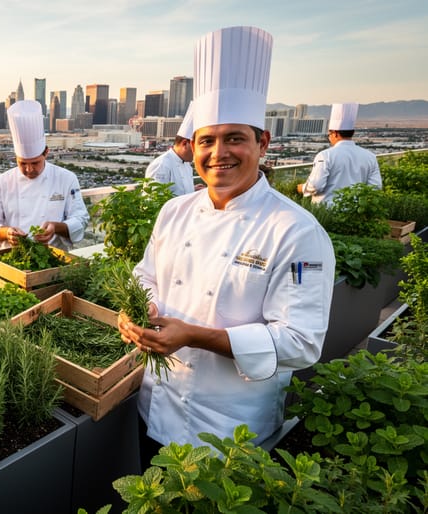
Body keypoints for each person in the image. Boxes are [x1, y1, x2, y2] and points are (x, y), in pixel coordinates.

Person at [117, 26, 336, 450]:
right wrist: (137, 313)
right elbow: (145, 277)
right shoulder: (173, 211)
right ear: (193, 148)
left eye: (235, 138)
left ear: (263, 143)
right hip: (155, 407)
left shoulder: (296, 231)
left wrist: (196, 336)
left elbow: (301, 343)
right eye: (208, 141)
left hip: (232, 432)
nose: (219, 153)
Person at [0, 100, 90, 250]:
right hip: (13, 256)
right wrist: (7, 232)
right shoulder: (2, 182)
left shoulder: (66, 178)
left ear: (46, 153)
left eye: (35, 163)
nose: (29, 169)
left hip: (53, 256)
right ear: (15, 158)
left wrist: (55, 227)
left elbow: (80, 219)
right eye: (23, 163)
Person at [300, 103, 382, 205]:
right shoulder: (370, 157)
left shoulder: (325, 155)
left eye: (329, 134)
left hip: (327, 212)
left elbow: (316, 186)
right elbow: (375, 188)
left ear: (335, 133)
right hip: (356, 212)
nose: (329, 137)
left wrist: (302, 188)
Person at [144, 102, 201, 195]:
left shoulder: (187, 165)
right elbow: (153, 200)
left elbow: (178, 191)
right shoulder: (162, 165)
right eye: (196, 147)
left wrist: (192, 190)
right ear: (185, 143)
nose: (198, 152)